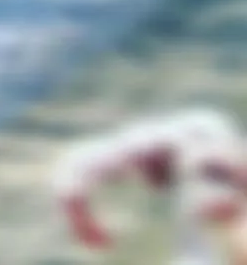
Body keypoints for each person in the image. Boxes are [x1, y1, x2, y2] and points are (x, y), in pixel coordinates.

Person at [54, 109, 247, 262]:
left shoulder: (209, 154)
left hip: (213, 154)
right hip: (182, 151)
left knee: (222, 219)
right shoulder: (127, 150)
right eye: (151, 171)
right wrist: (82, 221)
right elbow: (72, 166)